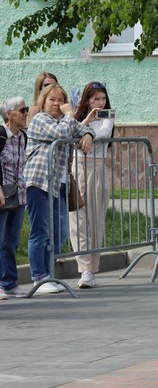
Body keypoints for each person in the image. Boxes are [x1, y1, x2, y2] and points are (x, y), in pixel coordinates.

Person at [25, 84, 95, 295]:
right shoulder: (40, 120)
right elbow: (60, 132)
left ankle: (50, 274)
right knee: (41, 232)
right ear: (43, 102)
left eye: (60, 100)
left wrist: (89, 135)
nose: (56, 104)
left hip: (59, 184)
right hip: (38, 182)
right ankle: (39, 277)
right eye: (52, 100)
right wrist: (69, 114)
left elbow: (83, 129)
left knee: (60, 232)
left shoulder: (65, 120)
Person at [66, 82, 115, 289]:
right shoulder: (78, 116)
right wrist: (86, 123)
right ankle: (84, 268)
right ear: (87, 100)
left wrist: (88, 134)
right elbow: (70, 133)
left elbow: (104, 133)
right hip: (78, 168)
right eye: (95, 99)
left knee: (95, 220)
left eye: (102, 98)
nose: (100, 103)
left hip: (97, 169)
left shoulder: (109, 115)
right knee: (78, 219)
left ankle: (92, 267)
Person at [0, 97, 29, 299]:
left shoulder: (22, 137)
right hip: (2, 195)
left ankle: (9, 283)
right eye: (22, 110)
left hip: (18, 196)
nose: (26, 113)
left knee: (11, 241)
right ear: (9, 114)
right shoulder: (1, 135)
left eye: (26, 110)